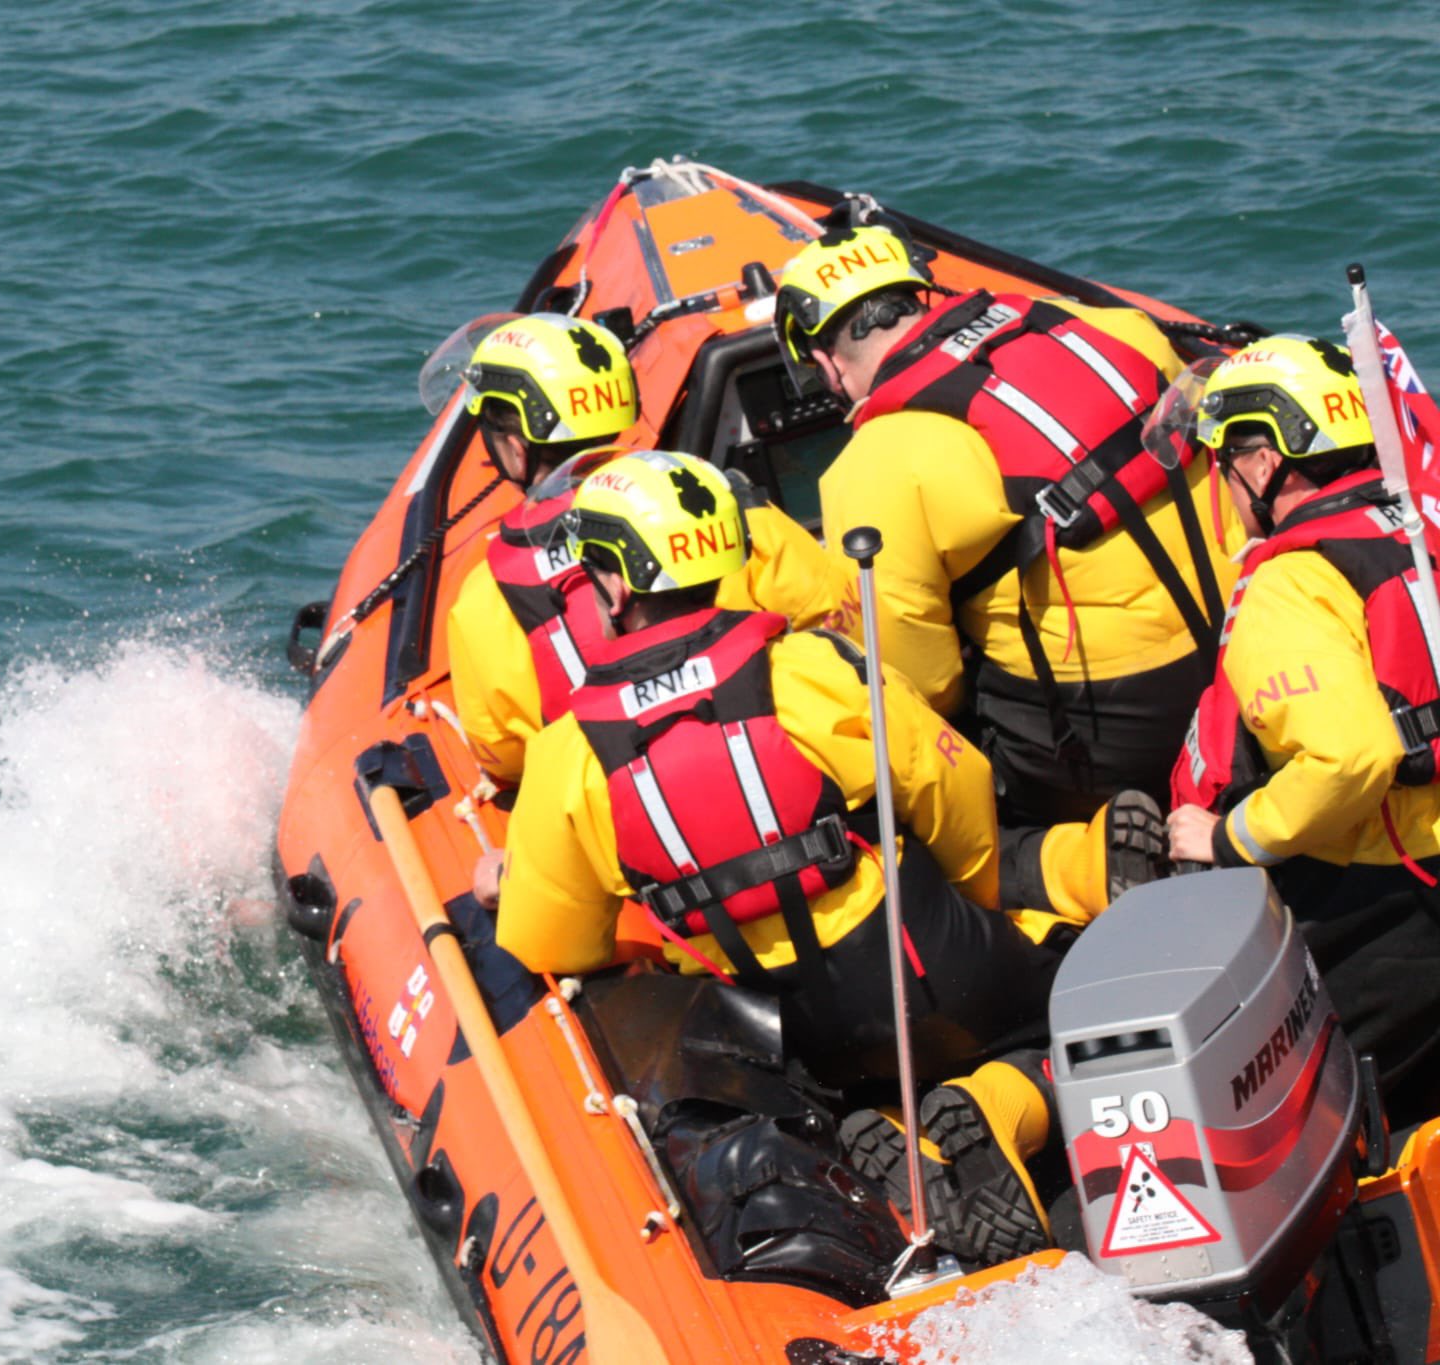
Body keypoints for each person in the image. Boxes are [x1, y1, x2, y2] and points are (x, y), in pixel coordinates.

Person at [492, 448, 1076, 1260]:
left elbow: (551, 944)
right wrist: (980, 896)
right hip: (923, 974)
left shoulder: (568, 757)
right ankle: (991, 1106)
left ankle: (898, 1143)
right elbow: (954, 783)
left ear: (616, 584)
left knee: (824, 1077)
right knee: (1070, 1005)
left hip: (776, 1038)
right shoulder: (813, 669)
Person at [771, 215, 1235, 920]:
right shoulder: (1099, 322)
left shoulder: (872, 466)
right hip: (1239, 652)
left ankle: (1066, 861)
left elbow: (918, 682)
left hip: (1115, 732)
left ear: (826, 361)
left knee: (920, 771)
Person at [1168, 334, 1440, 1122]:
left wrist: (1228, 837)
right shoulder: (1417, 518)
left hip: (1393, 897)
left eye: (1223, 462)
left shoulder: (1292, 583)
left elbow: (1351, 756)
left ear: (1261, 464)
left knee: (1259, 1091)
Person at [445, 313, 842, 789]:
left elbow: (505, 754)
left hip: (629, 814)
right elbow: (835, 616)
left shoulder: (485, 597)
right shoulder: (723, 507)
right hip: (779, 771)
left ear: (514, 448)